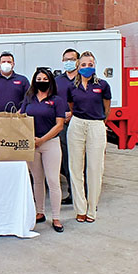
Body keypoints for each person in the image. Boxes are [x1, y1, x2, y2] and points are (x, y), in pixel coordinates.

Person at [67, 51, 111, 223]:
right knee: (75, 168)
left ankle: (92, 209)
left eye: (90, 64)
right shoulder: (72, 87)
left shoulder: (103, 85)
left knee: (94, 168)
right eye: (84, 64)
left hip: (96, 125)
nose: (87, 67)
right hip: (77, 124)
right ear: (78, 67)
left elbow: (106, 108)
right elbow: (72, 106)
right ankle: (80, 209)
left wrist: (99, 122)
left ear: (94, 66)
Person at [21, 68, 65, 233]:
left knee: (53, 181)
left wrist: (42, 140)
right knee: (37, 180)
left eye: (44, 78)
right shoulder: (29, 98)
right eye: (38, 78)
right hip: (32, 144)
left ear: (50, 81)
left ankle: (56, 217)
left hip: (50, 144)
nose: (41, 81)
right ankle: (40, 212)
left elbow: (59, 124)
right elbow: (21, 118)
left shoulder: (57, 100)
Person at [55, 48, 80, 205]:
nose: (68, 62)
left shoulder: (85, 79)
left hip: (79, 122)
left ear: (77, 61)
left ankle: (82, 194)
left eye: (71, 59)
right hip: (63, 125)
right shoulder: (58, 81)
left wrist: (73, 112)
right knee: (66, 159)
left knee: (80, 160)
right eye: (65, 59)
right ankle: (72, 193)